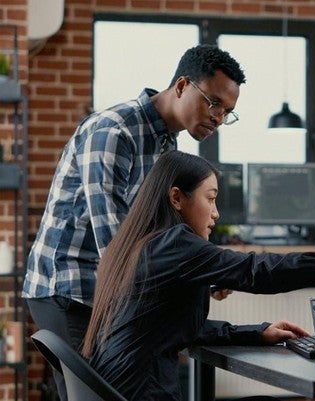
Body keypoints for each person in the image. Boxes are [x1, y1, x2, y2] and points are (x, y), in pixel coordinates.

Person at [80, 150, 315, 401]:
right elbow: (261, 271)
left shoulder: (136, 245)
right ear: (177, 198)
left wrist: (257, 332)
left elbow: (175, 327)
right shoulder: (173, 244)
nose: (216, 213)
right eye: (210, 198)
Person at [23, 44, 242, 400]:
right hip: (70, 285)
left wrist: (206, 269)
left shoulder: (167, 147)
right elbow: (114, 239)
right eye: (213, 103)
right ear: (183, 85)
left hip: (109, 291)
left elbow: (162, 232)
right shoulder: (114, 131)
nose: (218, 117)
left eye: (227, 112)